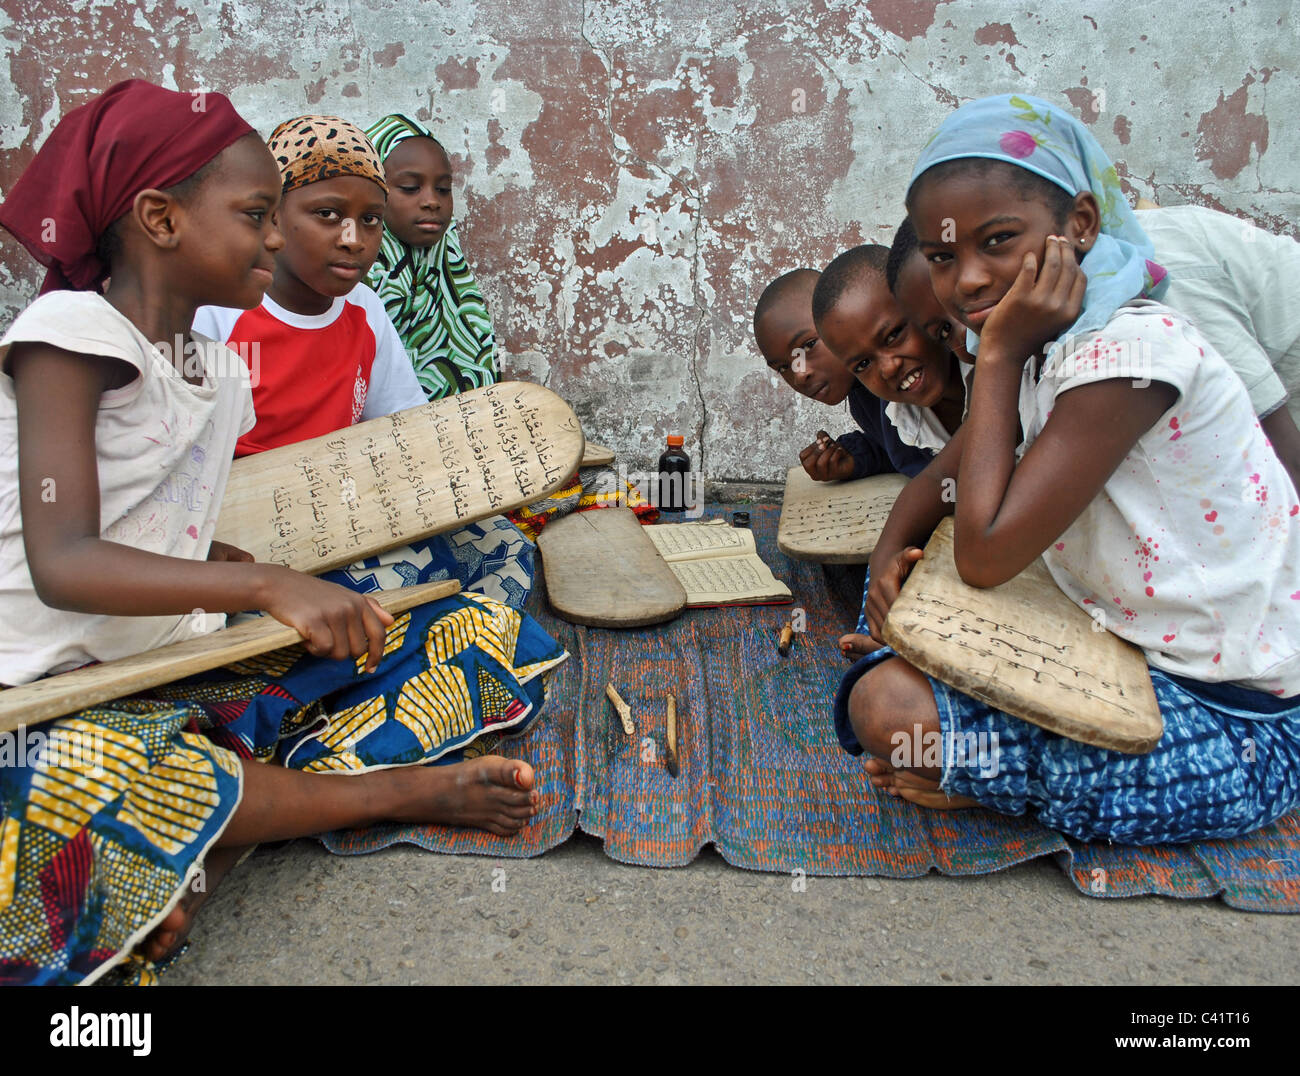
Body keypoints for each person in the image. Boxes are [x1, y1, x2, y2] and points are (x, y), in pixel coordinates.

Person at [0, 82, 565, 986]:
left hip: (161, 661)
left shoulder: (216, 371)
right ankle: (376, 797)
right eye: (259, 214)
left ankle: (183, 861)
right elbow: (64, 561)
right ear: (158, 218)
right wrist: (266, 587)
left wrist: (233, 568)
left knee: (465, 630)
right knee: (91, 770)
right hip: (37, 692)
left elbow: (158, 523)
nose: (275, 237)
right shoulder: (68, 335)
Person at [835, 93, 1300, 846]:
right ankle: (967, 755)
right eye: (946, 256)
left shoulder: (1129, 355)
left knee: (891, 713)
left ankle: (983, 781)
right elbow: (933, 487)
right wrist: (887, 573)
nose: (971, 281)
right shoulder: (1048, 347)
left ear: (1079, 226)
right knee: (898, 650)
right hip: (1109, 643)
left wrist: (998, 354)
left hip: (1238, 719)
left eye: (999, 241)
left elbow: (984, 555)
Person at [193, 116, 535, 608]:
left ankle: (473, 646)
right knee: (399, 584)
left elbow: (406, 426)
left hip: (349, 509)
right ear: (273, 216)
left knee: (504, 546)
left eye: (371, 220)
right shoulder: (221, 313)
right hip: (251, 530)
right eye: (328, 215)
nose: (354, 238)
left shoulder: (365, 310)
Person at [753, 265, 931, 484]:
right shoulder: (863, 398)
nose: (799, 375)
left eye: (808, 345)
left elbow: (946, 464)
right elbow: (905, 449)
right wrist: (855, 458)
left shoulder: (909, 377)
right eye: (782, 367)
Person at [364, 113, 498, 400]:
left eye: (443, 189)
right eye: (411, 188)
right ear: (371, 190)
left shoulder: (451, 273)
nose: (431, 201)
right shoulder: (356, 279)